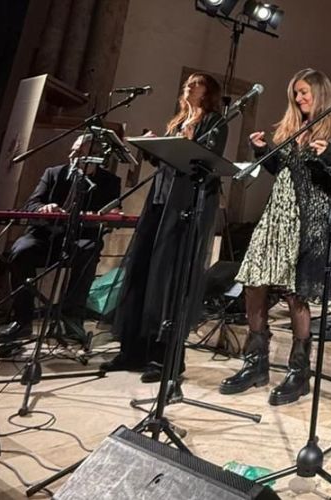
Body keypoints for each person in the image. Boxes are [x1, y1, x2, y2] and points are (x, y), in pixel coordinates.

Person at [219, 68, 331, 405]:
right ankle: (256, 363)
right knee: (254, 282)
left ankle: (299, 372)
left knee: (296, 294)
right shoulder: (292, 128)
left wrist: (328, 156)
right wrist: (262, 150)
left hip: (307, 221)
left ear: (319, 93)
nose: (298, 98)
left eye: (304, 92)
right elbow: (281, 171)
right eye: (295, 93)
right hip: (275, 217)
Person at [101, 73, 228, 383]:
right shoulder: (178, 120)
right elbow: (166, 162)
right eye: (187, 82)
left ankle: (165, 358)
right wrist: (154, 144)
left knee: (169, 280)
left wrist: (187, 141)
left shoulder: (215, 123)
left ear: (208, 91)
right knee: (142, 271)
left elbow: (204, 164)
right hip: (159, 201)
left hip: (184, 208)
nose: (188, 85)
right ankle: (133, 350)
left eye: (196, 82)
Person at [0, 134, 122, 344]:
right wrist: (44, 208)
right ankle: (22, 320)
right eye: (73, 149)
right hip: (45, 235)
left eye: (79, 152)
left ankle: (72, 319)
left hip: (81, 237)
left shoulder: (109, 182)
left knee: (89, 250)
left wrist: (110, 215)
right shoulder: (53, 173)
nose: (72, 154)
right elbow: (31, 204)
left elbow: (113, 213)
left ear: (95, 156)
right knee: (21, 250)